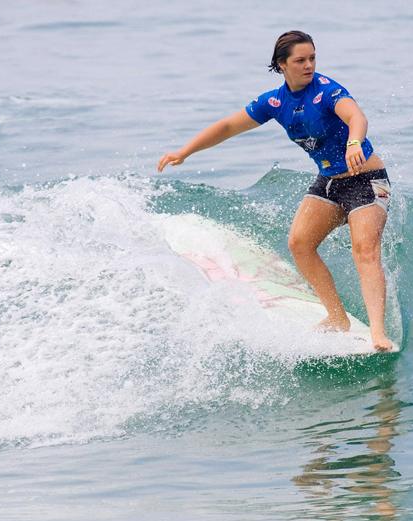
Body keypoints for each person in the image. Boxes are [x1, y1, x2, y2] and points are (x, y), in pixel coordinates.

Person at [157, 30, 394, 352]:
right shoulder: (275, 102)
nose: (309, 65)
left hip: (366, 180)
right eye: (300, 60)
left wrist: (354, 141)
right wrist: (185, 152)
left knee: (364, 252)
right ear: (282, 65)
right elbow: (228, 126)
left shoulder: (327, 90)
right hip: (329, 180)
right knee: (300, 243)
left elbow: (355, 115)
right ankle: (337, 318)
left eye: (312, 58)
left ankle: (378, 334)